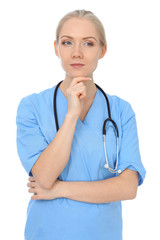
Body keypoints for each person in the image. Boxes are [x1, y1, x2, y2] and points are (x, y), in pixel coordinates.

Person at [16, 9, 146, 240]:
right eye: (67, 42)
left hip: (103, 233)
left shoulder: (120, 110)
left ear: (102, 50)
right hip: (47, 232)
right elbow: (44, 177)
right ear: (56, 48)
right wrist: (71, 115)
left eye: (88, 43)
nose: (76, 53)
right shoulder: (32, 107)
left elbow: (128, 188)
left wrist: (59, 189)